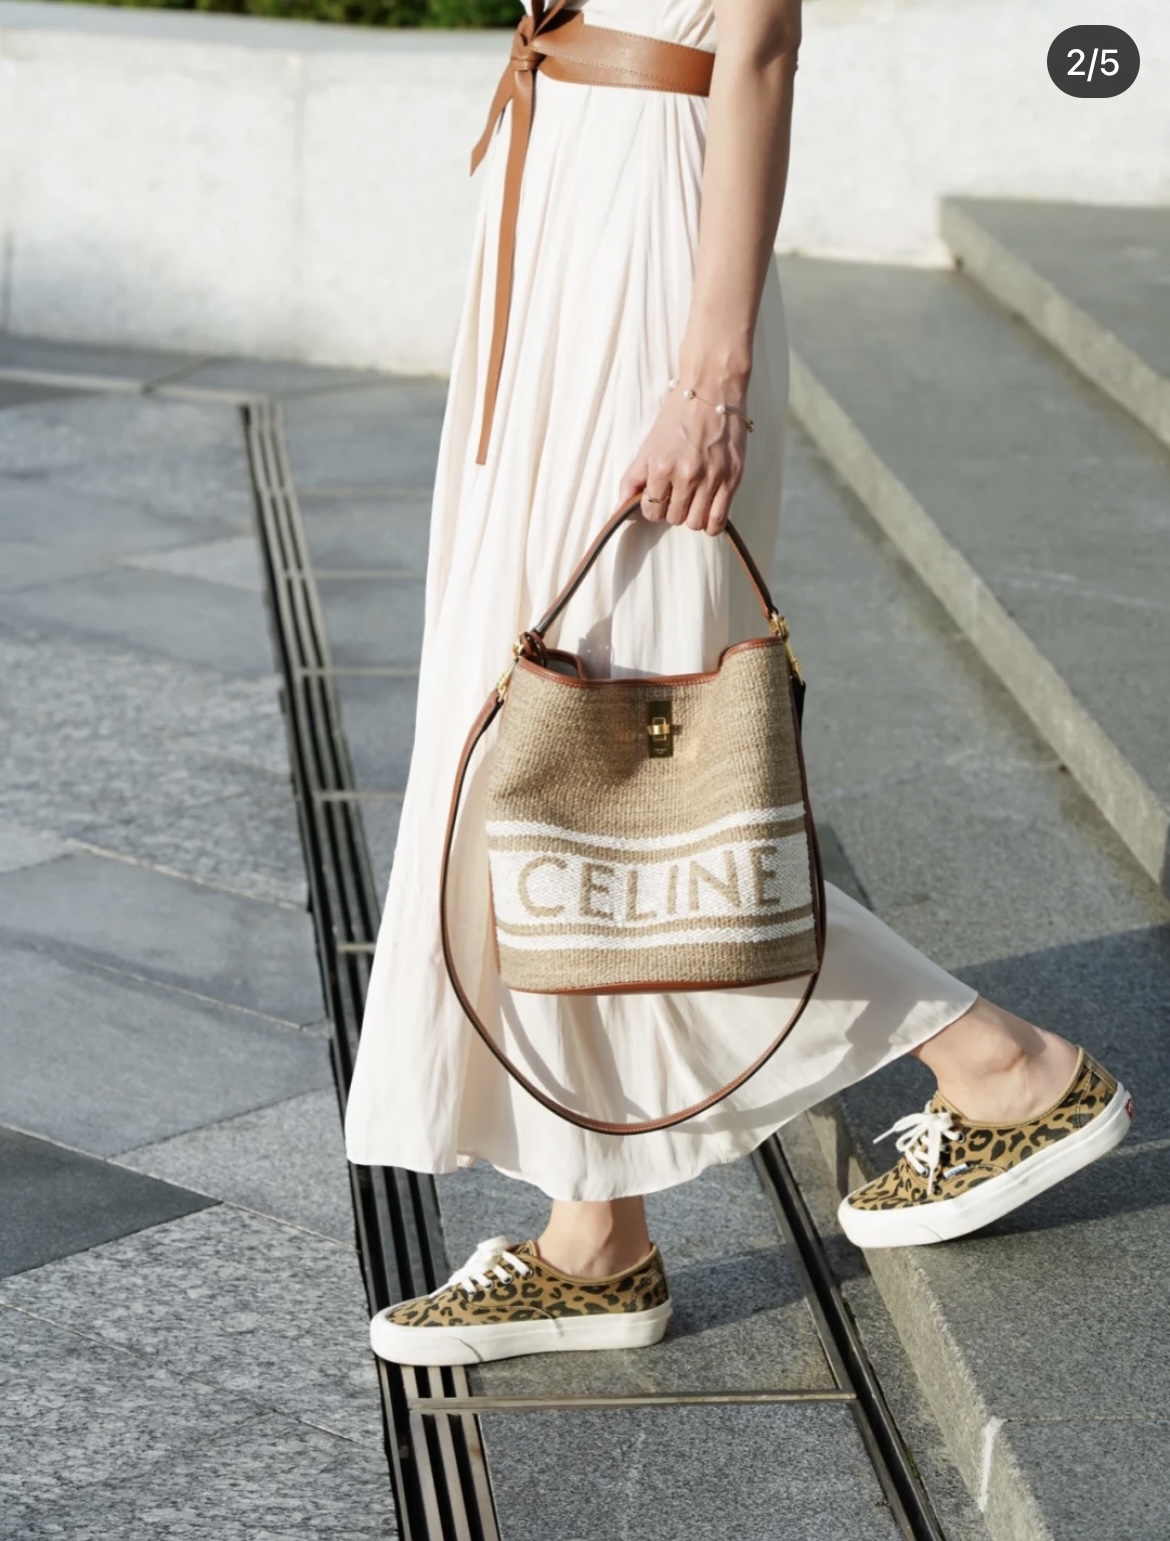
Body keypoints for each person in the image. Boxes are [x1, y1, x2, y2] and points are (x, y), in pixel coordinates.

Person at [344, 0, 1132, 1367]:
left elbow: (757, 49)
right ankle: (596, 1234)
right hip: (565, 213)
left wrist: (708, 377)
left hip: (647, 257)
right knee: (545, 743)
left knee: (594, 750)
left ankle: (998, 1064)